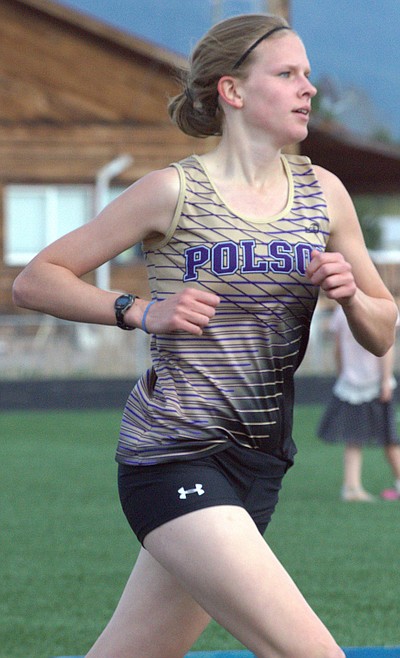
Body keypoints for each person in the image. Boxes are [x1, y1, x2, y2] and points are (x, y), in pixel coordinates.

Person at [12, 13, 398, 658]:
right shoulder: (172, 190)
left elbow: (383, 330)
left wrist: (353, 295)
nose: (309, 88)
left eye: (307, 74)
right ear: (233, 90)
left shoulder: (324, 194)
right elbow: (36, 279)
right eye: (287, 73)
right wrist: (140, 310)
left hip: (260, 464)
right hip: (174, 455)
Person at [318, 305, 400, 502]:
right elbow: (387, 346)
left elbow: (337, 350)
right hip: (374, 381)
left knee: (354, 438)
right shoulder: (381, 307)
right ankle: (352, 487)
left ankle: (351, 486)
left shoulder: (341, 312)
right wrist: (385, 380)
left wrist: (342, 375)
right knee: (388, 438)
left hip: (352, 383)